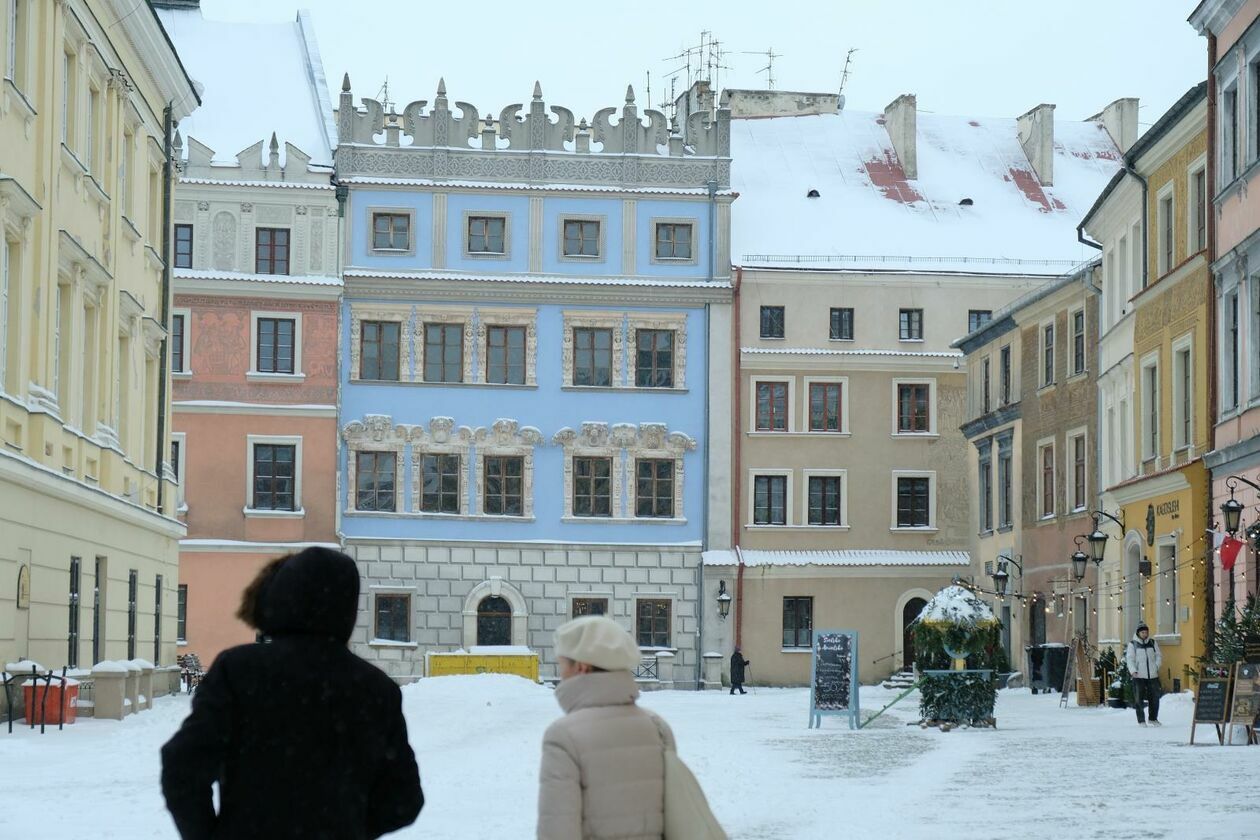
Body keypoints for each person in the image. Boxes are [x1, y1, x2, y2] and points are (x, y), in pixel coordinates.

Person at [161, 547, 424, 839]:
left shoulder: (238, 671)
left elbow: (182, 766)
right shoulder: (376, 689)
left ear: (280, 598)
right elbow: (404, 799)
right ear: (348, 608)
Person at [537, 615, 673, 839]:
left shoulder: (563, 736)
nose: (561, 675)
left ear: (581, 667)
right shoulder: (657, 727)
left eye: (562, 665)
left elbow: (558, 830)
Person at [1125, 622, 1162, 727]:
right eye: (1142, 632)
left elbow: (1158, 655)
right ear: (1138, 633)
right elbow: (1130, 659)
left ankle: (1153, 718)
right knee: (1139, 699)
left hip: (1153, 675)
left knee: (1154, 698)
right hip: (1139, 676)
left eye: (1146, 632)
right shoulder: (1133, 644)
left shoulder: (1152, 643)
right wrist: (1133, 670)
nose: (1145, 634)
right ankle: (1141, 720)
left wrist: (1156, 666)